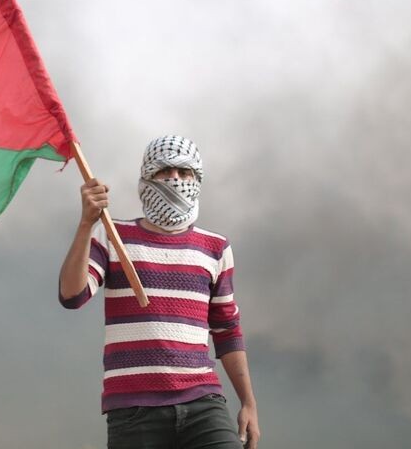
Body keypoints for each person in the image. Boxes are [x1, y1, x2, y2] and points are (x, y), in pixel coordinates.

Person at [59, 135, 261, 449]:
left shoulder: (215, 248)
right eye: (164, 171)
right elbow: (72, 295)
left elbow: (227, 330)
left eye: (184, 172)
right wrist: (86, 224)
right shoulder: (112, 236)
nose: (174, 179)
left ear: (197, 179)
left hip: (203, 403)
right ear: (147, 177)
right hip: (134, 410)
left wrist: (248, 403)